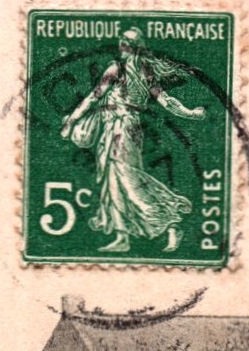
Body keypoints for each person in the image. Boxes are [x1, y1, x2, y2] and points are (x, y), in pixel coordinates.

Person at [60, 28, 208, 254]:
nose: (122, 44)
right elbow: (164, 100)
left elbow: (94, 97)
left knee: (126, 178)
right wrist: (191, 113)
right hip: (121, 129)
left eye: (128, 41)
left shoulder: (117, 69)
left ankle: (169, 220)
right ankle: (123, 237)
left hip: (122, 129)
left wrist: (71, 121)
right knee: (114, 181)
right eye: (121, 40)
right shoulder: (142, 70)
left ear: (137, 45)